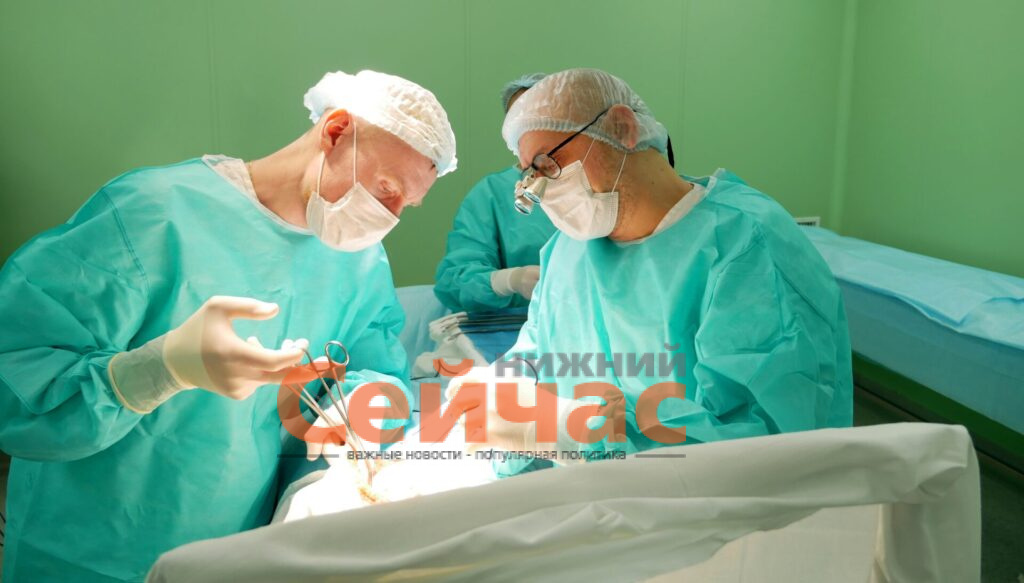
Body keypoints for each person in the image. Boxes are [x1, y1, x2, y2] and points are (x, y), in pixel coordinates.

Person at [0, 69, 456, 582]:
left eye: (405, 205)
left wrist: (356, 407)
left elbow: (372, 363)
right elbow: (17, 376)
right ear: (335, 131)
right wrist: (158, 370)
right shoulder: (154, 213)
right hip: (90, 547)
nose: (390, 215)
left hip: (234, 543)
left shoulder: (359, 261)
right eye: (386, 188)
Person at [448, 68, 852, 475]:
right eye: (529, 174)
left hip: (702, 511)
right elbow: (538, 355)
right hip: (585, 501)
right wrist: (500, 393)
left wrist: (573, 432)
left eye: (548, 163)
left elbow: (765, 449)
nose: (541, 189)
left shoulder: (747, 248)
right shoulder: (567, 251)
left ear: (621, 128)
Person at [434, 73, 556, 312]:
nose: (531, 129)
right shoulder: (491, 194)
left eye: (542, 118)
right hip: (519, 327)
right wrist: (508, 281)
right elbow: (456, 280)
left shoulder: (598, 186)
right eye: (520, 122)